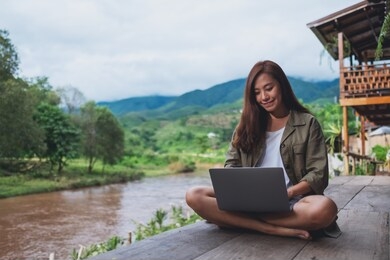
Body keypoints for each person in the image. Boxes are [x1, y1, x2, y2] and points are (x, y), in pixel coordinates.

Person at [185, 60, 340, 240]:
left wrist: (289, 192)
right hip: (248, 200)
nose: (264, 97)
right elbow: (231, 166)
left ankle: (239, 221)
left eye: (269, 88)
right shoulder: (245, 126)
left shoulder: (307, 123)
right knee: (194, 195)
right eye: (257, 92)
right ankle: (270, 229)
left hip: (293, 201)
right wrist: (243, 192)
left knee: (325, 209)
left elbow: (318, 174)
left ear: (281, 86)